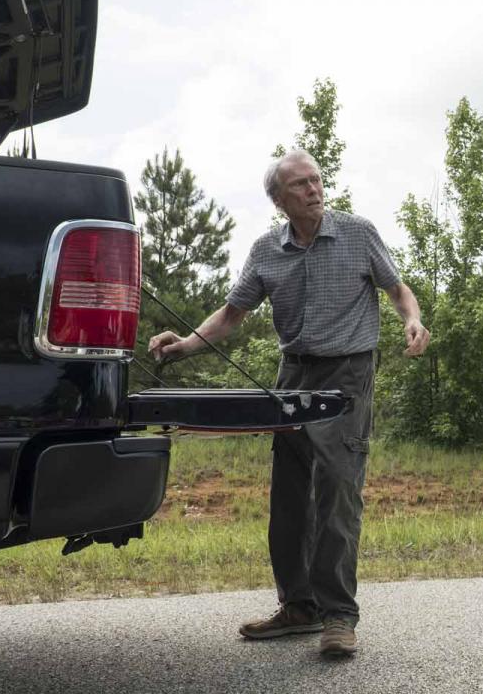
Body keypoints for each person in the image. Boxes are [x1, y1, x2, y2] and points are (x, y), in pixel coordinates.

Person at [148, 149, 431, 658]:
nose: (314, 189)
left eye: (317, 180)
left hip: (348, 373)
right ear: (279, 200)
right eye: (300, 184)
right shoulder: (265, 250)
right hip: (292, 373)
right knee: (289, 495)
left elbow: (397, 288)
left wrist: (411, 318)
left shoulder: (357, 233)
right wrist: (185, 345)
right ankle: (298, 606)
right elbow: (232, 315)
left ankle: (339, 616)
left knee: (338, 493)